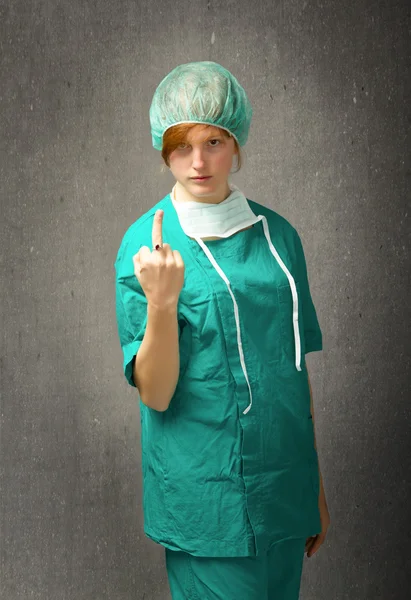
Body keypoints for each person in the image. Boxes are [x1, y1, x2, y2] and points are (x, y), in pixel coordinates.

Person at [114, 61, 330, 600]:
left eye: (214, 141)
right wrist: (162, 304)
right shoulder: (147, 248)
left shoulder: (280, 237)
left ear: (236, 141)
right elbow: (156, 393)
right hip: (206, 500)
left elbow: (293, 370)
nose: (199, 161)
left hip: (285, 488)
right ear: (163, 149)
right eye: (182, 145)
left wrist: (314, 486)